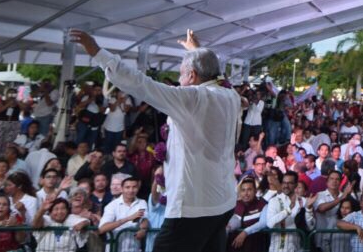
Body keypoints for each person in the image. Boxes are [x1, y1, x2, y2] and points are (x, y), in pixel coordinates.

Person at [71, 28, 239, 252]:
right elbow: (215, 76)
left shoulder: (192, 98)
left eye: (181, 74)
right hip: (222, 203)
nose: (179, 80)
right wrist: (197, 52)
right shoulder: (230, 95)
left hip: (193, 208)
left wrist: (98, 53)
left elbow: (141, 84)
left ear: (192, 76)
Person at [99, 176, 149, 252]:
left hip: (134, 249)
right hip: (115, 249)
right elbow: (102, 228)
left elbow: (144, 219)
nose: (131, 190)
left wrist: (143, 229)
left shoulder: (142, 202)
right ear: (122, 189)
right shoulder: (112, 205)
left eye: (134, 187)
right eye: (127, 187)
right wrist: (128, 218)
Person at [265, 170, 307, 252]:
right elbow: (270, 224)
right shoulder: (274, 201)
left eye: (290, 183)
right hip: (278, 248)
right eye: (284, 183)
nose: (286, 186)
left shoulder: (303, 201)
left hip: (297, 247)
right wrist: (288, 210)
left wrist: (309, 210)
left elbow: (310, 226)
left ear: (296, 185)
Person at [227, 177, 268, 252]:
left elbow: (263, 223)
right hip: (234, 248)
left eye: (249, 190)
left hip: (255, 247)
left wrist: (245, 232)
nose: (246, 193)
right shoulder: (234, 205)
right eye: (243, 190)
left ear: (255, 191)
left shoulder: (263, 204)